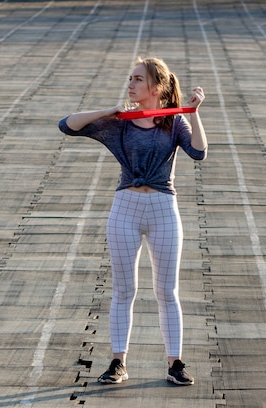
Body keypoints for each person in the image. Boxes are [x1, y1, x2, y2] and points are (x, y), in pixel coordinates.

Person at [58, 57, 207, 385]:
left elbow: (199, 152)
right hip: (125, 208)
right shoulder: (121, 123)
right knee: (124, 289)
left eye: (138, 79)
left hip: (163, 209)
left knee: (166, 291)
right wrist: (106, 112)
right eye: (131, 78)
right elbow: (67, 125)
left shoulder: (174, 124)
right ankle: (117, 362)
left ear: (156, 87)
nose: (131, 84)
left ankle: (175, 364)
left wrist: (192, 114)